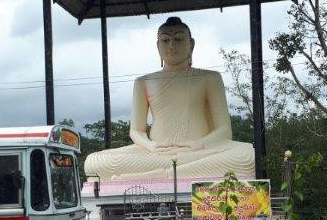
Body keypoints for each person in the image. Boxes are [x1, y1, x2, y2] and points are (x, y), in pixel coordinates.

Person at [84, 17, 255, 181]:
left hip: (199, 152)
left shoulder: (210, 78)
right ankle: (173, 172)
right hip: (156, 154)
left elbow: (224, 130)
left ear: (191, 44)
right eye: (165, 40)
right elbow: (136, 131)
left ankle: (162, 175)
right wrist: (150, 146)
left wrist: (200, 144)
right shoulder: (143, 82)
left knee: (247, 156)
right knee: (96, 162)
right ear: (158, 45)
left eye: (178, 39)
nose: (172, 46)